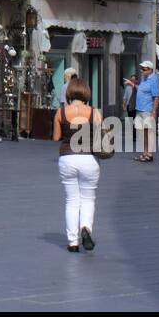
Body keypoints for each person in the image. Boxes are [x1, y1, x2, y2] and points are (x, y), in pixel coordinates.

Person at [54, 68, 101, 252]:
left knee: (71, 200)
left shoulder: (61, 113)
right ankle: (86, 228)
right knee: (88, 198)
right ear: (87, 93)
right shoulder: (94, 112)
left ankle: (73, 242)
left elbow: (56, 137)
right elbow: (99, 138)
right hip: (89, 159)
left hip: (67, 157)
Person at [134, 60, 159, 162]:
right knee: (142, 133)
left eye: (144, 69)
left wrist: (154, 111)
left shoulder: (153, 79)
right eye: (141, 69)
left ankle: (149, 154)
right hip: (139, 109)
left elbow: (157, 97)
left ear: (150, 70)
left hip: (147, 110)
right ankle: (144, 153)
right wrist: (133, 85)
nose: (142, 71)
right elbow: (142, 91)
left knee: (149, 132)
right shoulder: (144, 79)